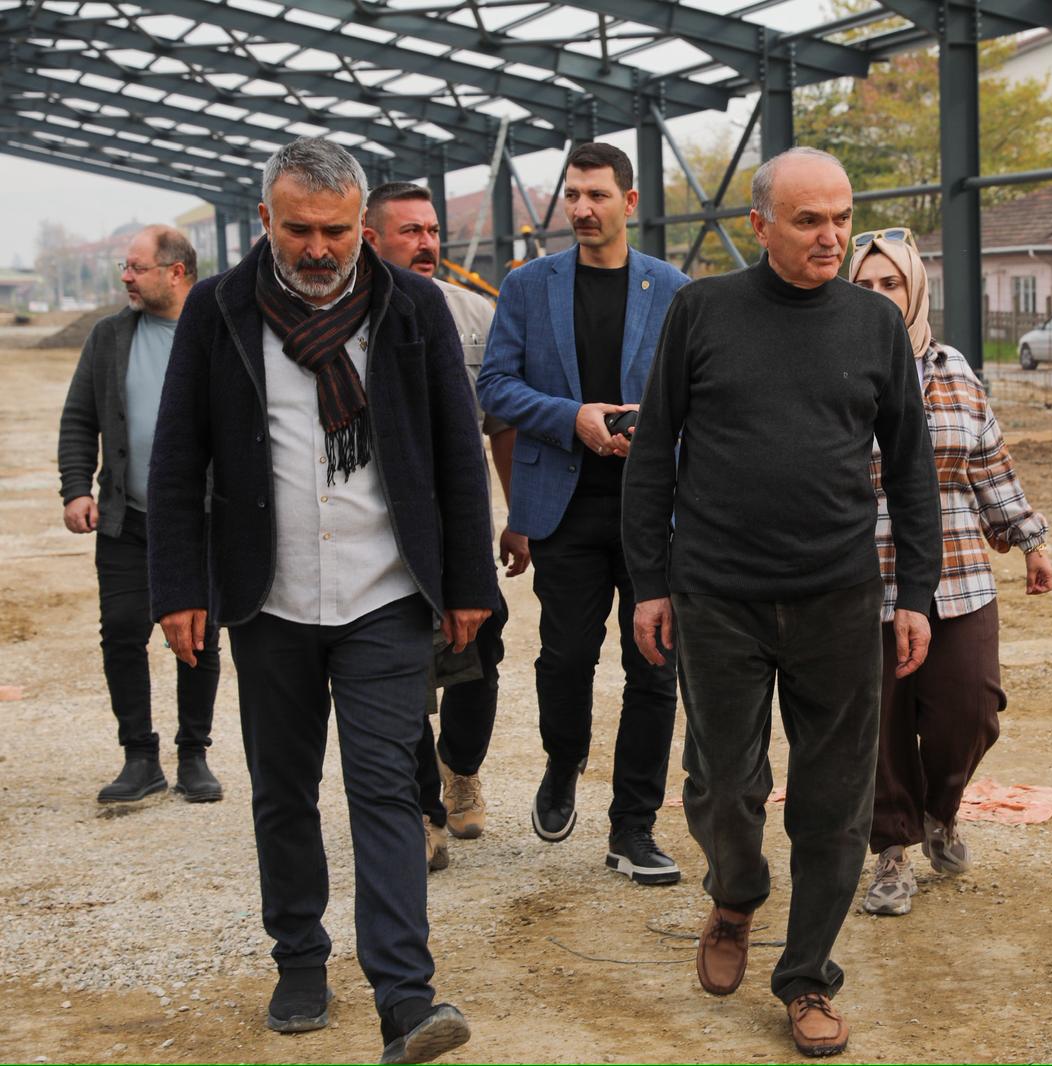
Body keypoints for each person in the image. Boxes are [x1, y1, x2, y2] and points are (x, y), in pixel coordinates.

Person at [147, 136, 495, 1064]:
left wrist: (468, 582)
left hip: (386, 592)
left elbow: (457, 452)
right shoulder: (219, 309)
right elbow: (178, 455)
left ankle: (406, 997)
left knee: (385, 787)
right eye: (299, 229)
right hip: (270, 597)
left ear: (361, 227)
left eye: (336, 231)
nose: (318, 249)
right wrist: (179, 586)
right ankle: (299, 958)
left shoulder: (411, 306)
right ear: (266, 219)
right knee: (283, 791)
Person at [622, 147, 941, 1058]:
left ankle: (806, 977)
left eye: (841, 217)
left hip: (838, 595)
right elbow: (654, 453)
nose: (831, 236)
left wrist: (914, 591)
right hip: (718, 593)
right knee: (724, 785)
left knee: (836, 801)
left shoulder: (874, 324)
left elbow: (910, 466)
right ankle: (735, 893)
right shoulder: (703, 311)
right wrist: (651, 582)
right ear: (759, 225)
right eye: (809, 220)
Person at [477, 142, 689, 886]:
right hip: (563, 509)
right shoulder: (528, 286)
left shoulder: (674, 290)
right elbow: (495, 386)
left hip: (652, 512)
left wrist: (649, 428)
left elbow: (700, 396)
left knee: (654, 667)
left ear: (629, 202)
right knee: (564, 659)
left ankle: (633, 828)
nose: (582, 208)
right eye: (572, 195)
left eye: (597, 195)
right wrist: (573, 418)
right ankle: (563, 761)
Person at [846, 228, 1052, 917]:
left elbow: (988, 461)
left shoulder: (953, 368)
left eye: (891, 284)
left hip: (958, 570)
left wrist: (1028, 539)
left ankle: (941, 810)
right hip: (865, 574)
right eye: (865, 286)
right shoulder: (835, 364)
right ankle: (891, 849)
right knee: (878, 721)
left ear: (915, 291)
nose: (879, 296)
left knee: (972, 707)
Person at [363, 180, 529, 873]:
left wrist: (518, 517)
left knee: (477, 660)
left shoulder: (474, 316)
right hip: (378, 539)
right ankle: (423, 810)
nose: (427, 243)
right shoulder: (348, 319)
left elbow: (501, 425)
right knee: (397, 670)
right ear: (371, 239)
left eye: (432, 230)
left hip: (459, 532)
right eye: (410, 232)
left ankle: (460, 767)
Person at [57, 224, 223, 805]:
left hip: (200, 518)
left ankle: (194, 755)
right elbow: (79, 418)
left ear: (176, 272)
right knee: (123, 632)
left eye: (136, 267)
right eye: (124, 267)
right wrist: (76, 489)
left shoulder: (217, 331)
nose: (125, 277)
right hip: (126, 518)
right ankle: (139, 757)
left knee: (198, 636)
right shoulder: (109, 337)